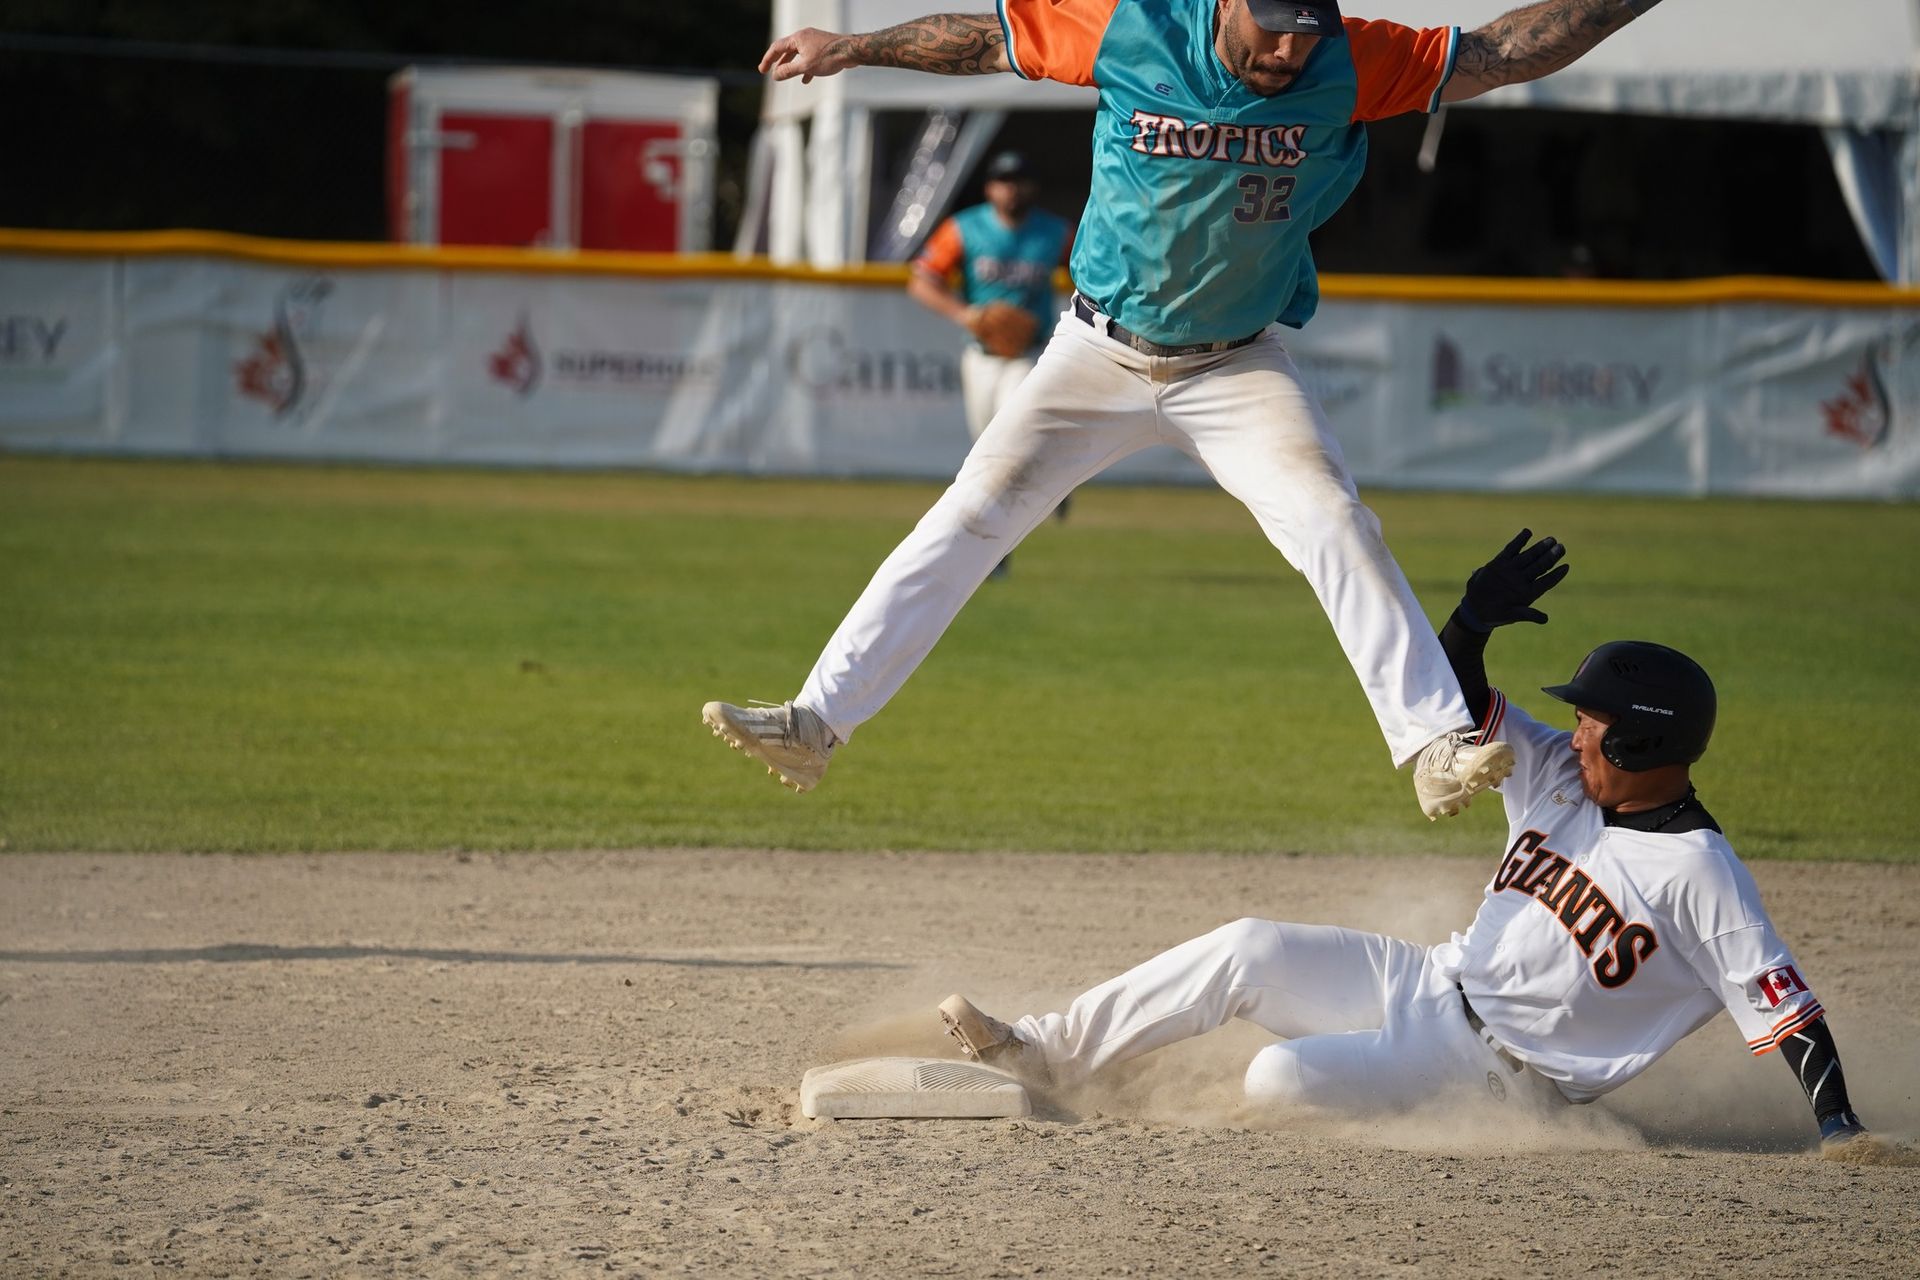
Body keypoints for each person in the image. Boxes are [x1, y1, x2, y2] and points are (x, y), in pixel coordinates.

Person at [703, 0, 1669, 817]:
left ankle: (1434, 745)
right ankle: (815, 724)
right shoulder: (1137, 28)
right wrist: (851, 46)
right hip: (1096, 351)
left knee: (1333, 517)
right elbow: (984, 39)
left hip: (1234, 366)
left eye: (1309, 30)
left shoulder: (1349, 58)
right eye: (1277, 28)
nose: (1293, 51)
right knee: (970, 514)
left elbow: (1505, 52)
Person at [937, 533, 1874, 1151]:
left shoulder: (1701, 874)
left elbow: (1788, 1010)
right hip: (1425, 980)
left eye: (1593, 719)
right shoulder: (1555, 774)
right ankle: (1045, 1052)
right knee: (1247, 944)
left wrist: (1840, 1132)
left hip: (1490, 1079)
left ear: (1643, 740)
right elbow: (1452, 694)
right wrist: (1470, 622)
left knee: (1273, 1079)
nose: (1576, 729)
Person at [909, 149, 1076, 578]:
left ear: (1032, 187)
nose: (1011, 188)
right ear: (990, 188)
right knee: (986, 450)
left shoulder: (1055, 233)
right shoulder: (964, 229)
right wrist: (966, 314)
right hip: (980, 356)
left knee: (1007, 442)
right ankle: (1054, 479)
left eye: (1019, 180)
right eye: (1004, 181)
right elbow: (921, 280)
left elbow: (1091, 277)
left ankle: (995, 546)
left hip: (1030, 352)